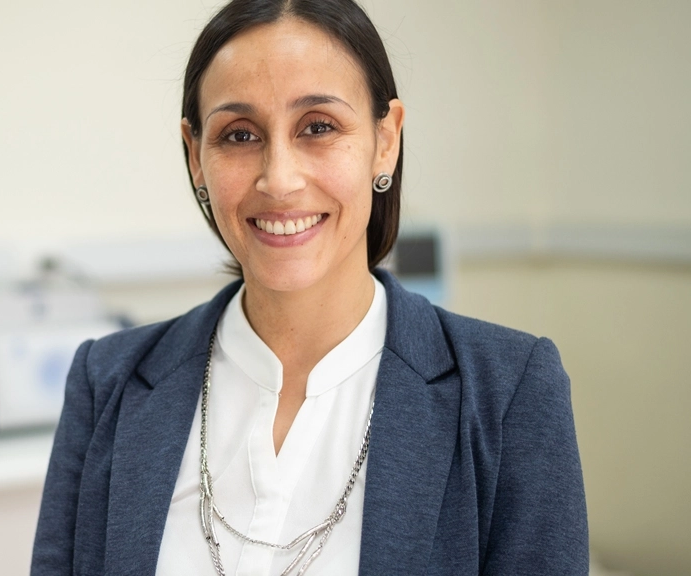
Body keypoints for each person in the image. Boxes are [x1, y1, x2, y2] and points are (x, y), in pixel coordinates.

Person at [31, 0, 588, 574]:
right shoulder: (107, 385)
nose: (279, 179)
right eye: (239, 134)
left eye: (319, 127)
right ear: (195, 156)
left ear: (386, 140)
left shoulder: (510, 391)